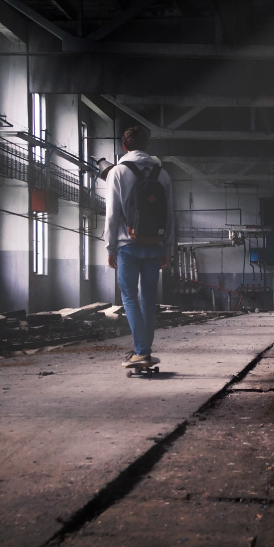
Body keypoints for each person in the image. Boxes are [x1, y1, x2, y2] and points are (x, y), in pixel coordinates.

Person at [104, 126, 175, 368]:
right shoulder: (163, 175)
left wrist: (110, 247)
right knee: (148, 299)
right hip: (155, 246)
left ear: (124, 146)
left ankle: (141, 351)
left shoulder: (118, 172)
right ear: (146, 146)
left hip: (128, 246)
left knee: (129, 298)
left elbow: (112, 214)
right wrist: (167, 248)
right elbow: (169, 216)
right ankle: (145, 350)